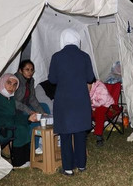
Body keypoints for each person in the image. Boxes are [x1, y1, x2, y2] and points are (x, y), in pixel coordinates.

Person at [49, 28, 95, 176]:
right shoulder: (85, 56)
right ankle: (81, 165)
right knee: (81, 134)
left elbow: (52, 79)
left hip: (64, 101)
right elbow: (90, 78)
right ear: (77, 40)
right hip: (81, 100)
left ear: (63, 39)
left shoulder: (57, 56)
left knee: (66, 135)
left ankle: (68, 168)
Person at [0, 73, 37, 168]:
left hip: (7, 125)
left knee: (24, 126)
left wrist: (28, 118)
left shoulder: (10, 98)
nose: (12, 87)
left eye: (15, 85)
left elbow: (13, 115)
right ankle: (18, 162)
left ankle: (25, 159)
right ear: (2, 82)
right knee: (19, 129)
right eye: (9, 83)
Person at [14, 59, 49, 155]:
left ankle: (44, 137)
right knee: (34, 117)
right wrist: (30, 111)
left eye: (32, 70)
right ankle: (34, 146)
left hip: (25, 105)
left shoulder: (30, 81)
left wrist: (42, 112)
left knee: (44, 107)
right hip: (17, 109)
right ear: (20, 70)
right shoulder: (15, 80)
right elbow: (14, 101)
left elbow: (32, 99)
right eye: (27, 69)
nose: (30, 72)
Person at [89, 79, 114, 147]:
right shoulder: (83, 88)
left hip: (107, 107)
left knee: (99, 112)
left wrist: (91, 102)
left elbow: (102, 101)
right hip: (94, 107)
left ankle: (99, 137)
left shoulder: (100, 87)